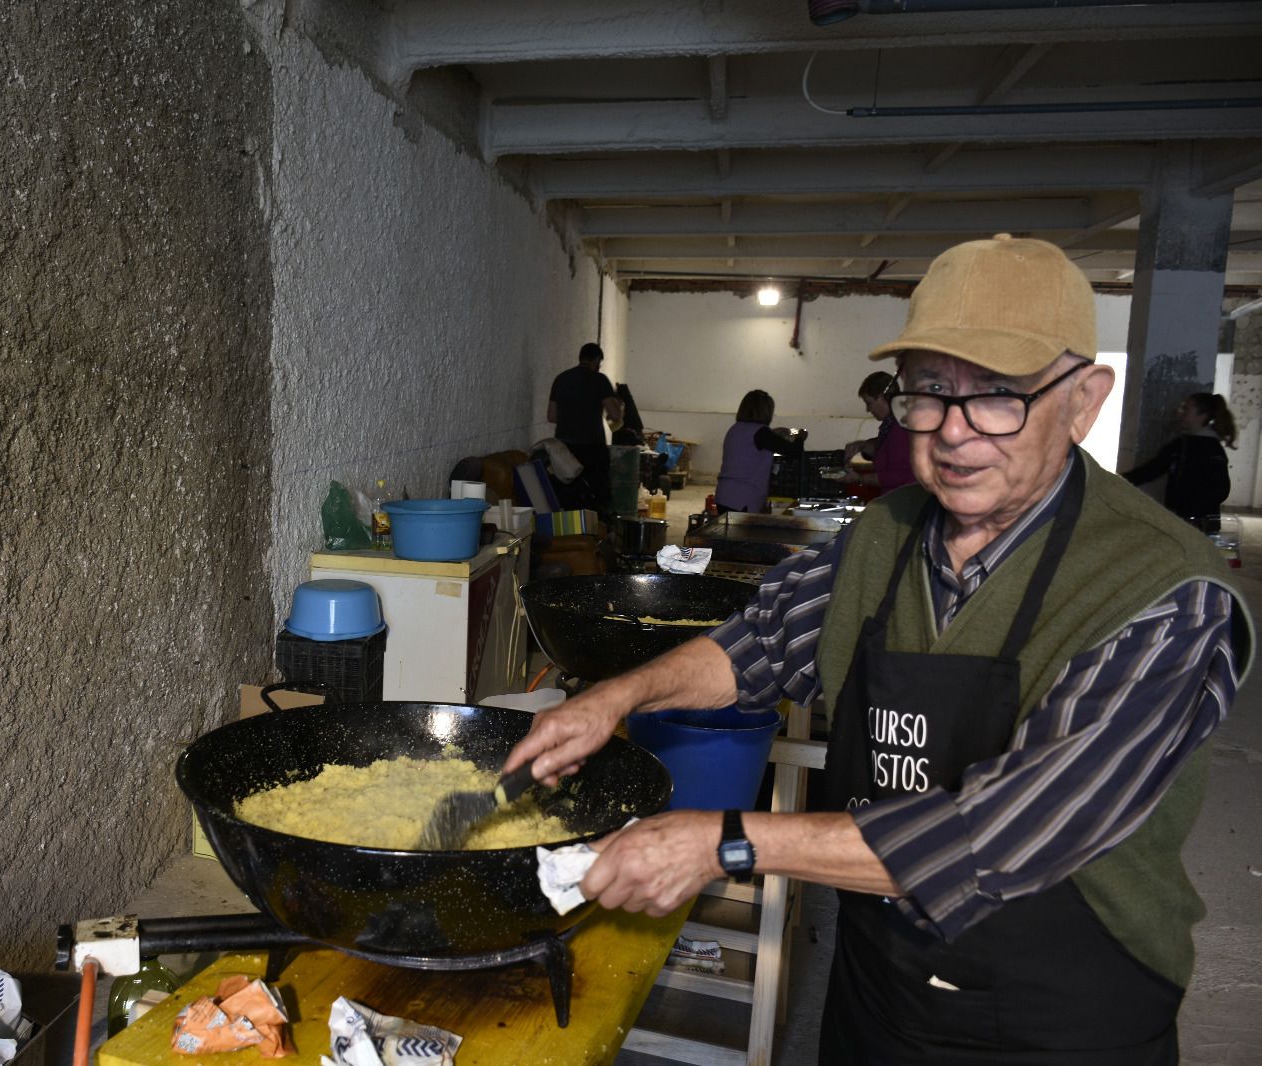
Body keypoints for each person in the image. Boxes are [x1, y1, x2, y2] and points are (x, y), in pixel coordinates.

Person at [506, 234, 1252, 1065]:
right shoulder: (888, 533)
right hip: (880, 987)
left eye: (999, 396)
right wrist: (614, 699)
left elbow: (1006, 833)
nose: (955, 433)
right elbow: (756, 645)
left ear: (1083, 401)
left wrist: (722, 841)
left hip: (1061, 1017)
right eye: (929, 391)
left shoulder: (1163, 588)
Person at [1123, 392, 1236, 530]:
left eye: (1186, 409)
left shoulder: (1209, 449)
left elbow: (1220, 489)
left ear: (1202, 416)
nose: (1179, 412)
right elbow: (1152, 469)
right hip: (1185, 521)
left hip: (1197, 524)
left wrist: (1192, 512)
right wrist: (1118, 480)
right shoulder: (1182, 445)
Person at [547, 342, 623, 513]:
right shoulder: (599, 379)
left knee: (569, 496)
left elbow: (551, 416)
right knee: (596, 498)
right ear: (597, 360)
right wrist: (618, 405)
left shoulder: (561, 379)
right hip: (592, 448)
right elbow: (615, 415)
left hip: (564, 449)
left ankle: (571, 528)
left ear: (580, 357)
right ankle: (597, 527)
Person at [716, 390, 803, 513]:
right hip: (743, 499)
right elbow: (794, 451)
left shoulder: (734, 429)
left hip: (723, 496)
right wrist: (800, 437)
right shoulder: (761, 432)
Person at [842, 370, 916, 494]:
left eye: (869, 403)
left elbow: (897, 476)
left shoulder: (900, 428)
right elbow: (887, 449)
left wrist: (859, 479)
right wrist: (862, 445)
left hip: (904, 499)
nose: (868, 409)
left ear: (882, 398)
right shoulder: (891, 424)